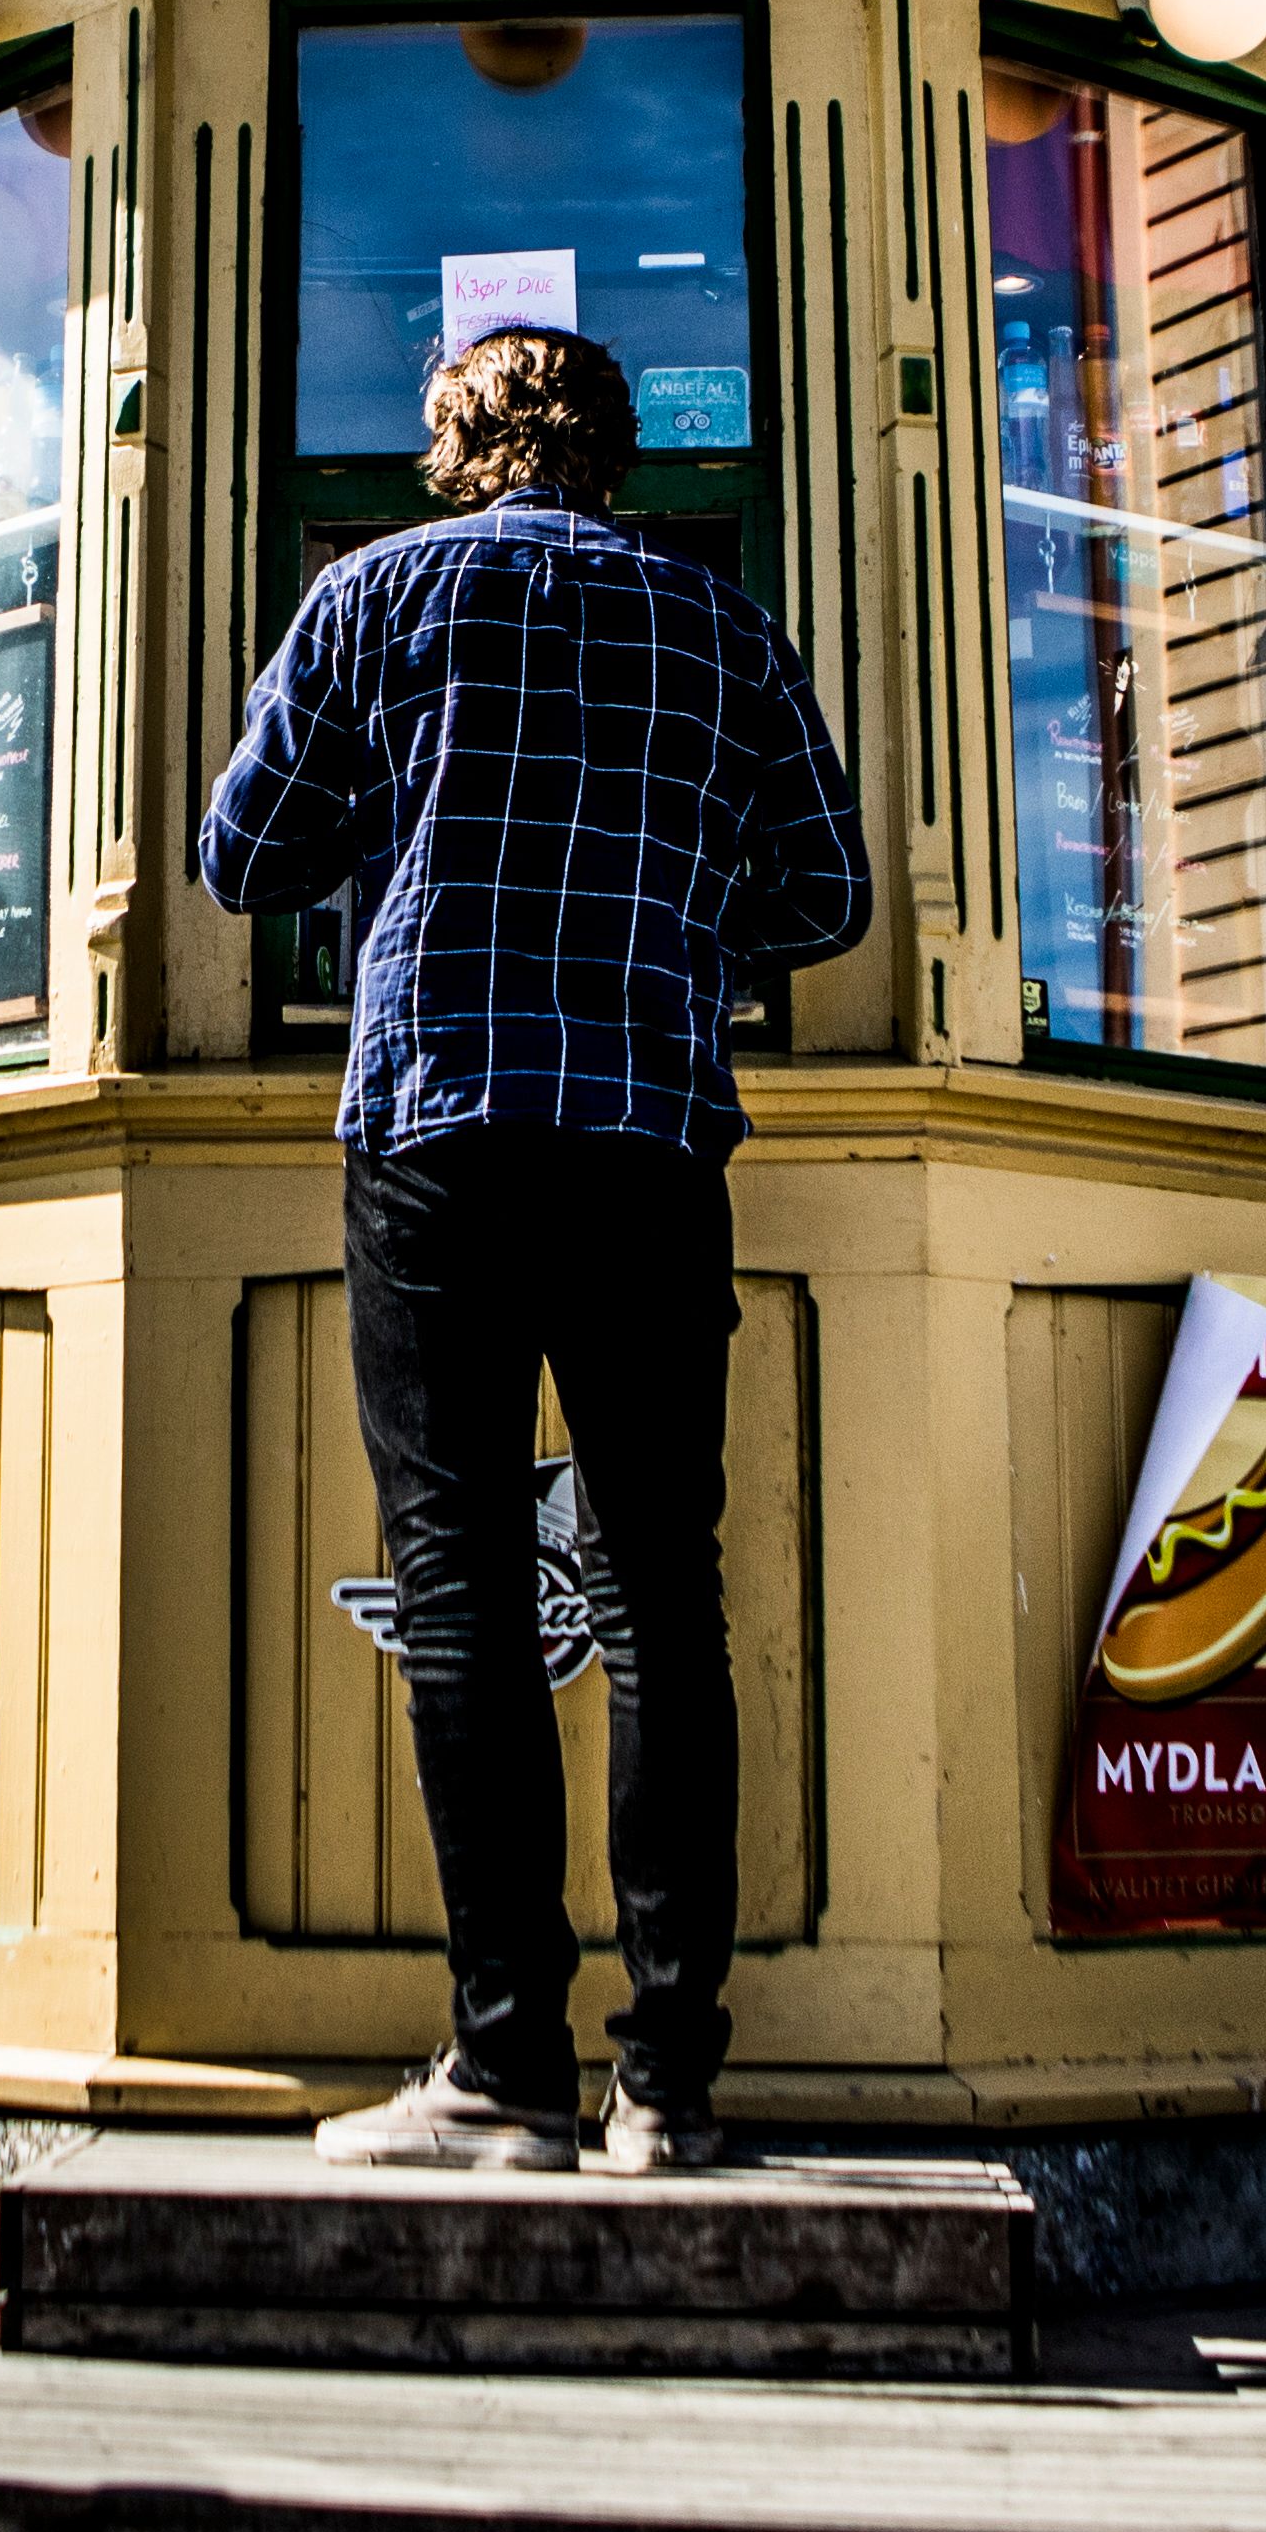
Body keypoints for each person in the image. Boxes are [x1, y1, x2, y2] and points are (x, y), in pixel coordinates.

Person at [200, 323, 869, 2174]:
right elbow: (830, 890)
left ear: (453, 440)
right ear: (615, 446)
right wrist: (678, 908)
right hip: (650, 1134)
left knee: (465, 1594)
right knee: (666, 1602)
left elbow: (241, 858)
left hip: (435, 1133)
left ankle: (502, 2070)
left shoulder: (373, 603)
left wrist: (393, 827)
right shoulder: (716, 623)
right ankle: (670, 2085)